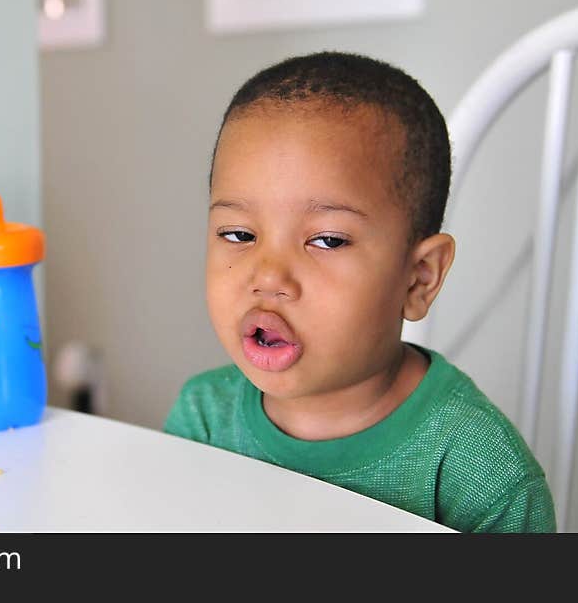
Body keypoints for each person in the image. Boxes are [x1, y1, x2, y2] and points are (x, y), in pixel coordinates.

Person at [163, 51, 555, 533]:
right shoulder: (202, 420)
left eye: (326, 240)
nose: (267, 276)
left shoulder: (481, 475)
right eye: (239, 234)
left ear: (419, 278)